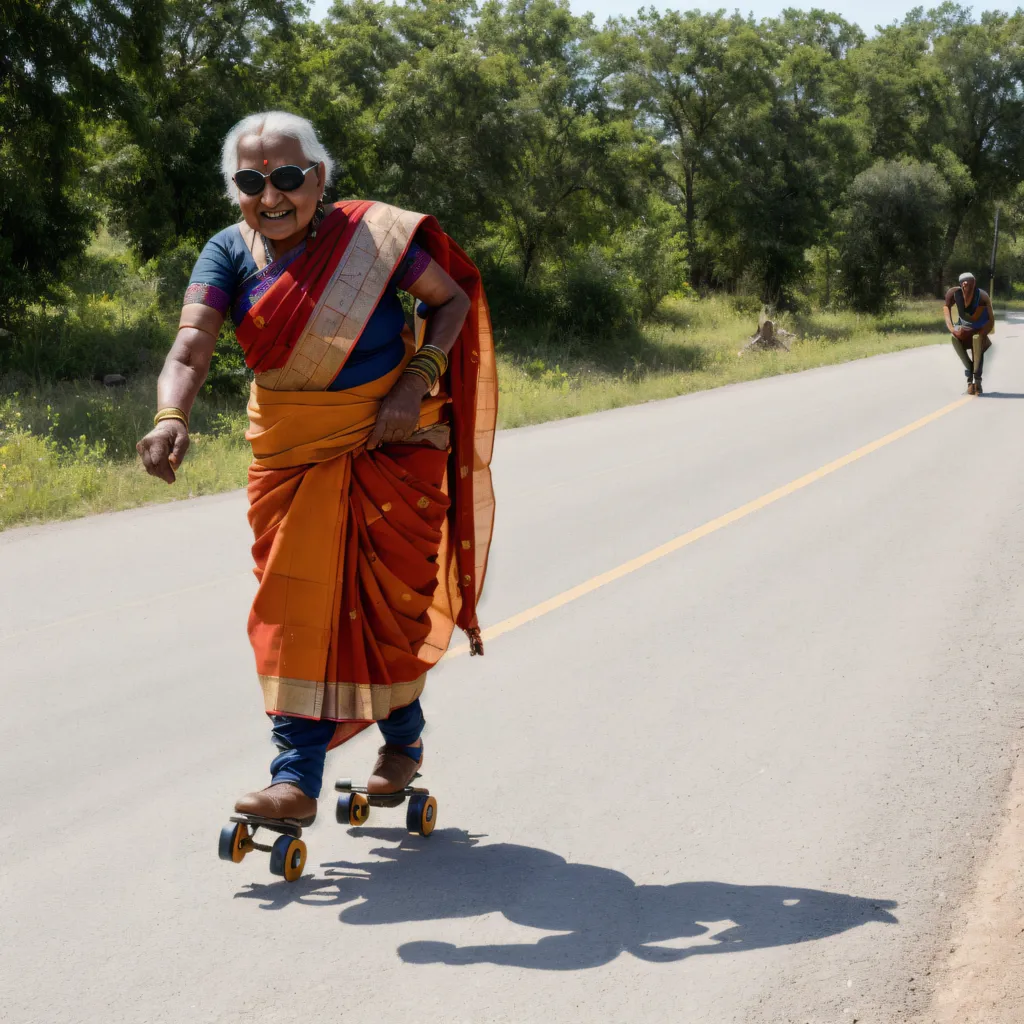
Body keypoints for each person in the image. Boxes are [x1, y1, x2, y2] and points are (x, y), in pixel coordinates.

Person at [136, 111, 496, 825]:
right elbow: (189, 349)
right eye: (251, 181)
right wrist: (170, 415)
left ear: (320, 177)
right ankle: (293, 776)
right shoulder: (225, 254)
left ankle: (403, 742)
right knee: (293, 609)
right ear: (234, 190)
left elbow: (450, 300)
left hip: (394, 447)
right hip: (291, 456)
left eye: (288, 178)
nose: (271, 196)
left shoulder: (372, 240)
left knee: (389, 613)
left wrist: (414, 379)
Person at [943, 272, 994, 395]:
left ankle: (977, 381)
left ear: (974, 283)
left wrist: (982, 333)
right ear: (962, 284)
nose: (967, 286)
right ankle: (970, 380)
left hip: (978, 328)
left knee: (978, 347)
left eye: (971, 283)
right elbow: (946, 309)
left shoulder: (982, 296)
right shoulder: (954, 294)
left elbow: (991, 320)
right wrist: (953, 329)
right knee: (955, 341)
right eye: (965, 283)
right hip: (962, 329)